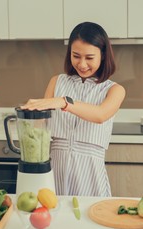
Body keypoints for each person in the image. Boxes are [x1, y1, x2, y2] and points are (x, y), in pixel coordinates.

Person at [21, 22, 125, 196]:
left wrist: (64, 102)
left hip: (91, 175)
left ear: (104, 55)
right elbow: (41, 129)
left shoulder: (114, 90)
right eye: (76, 56)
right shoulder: (57, 82)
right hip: (56, 171)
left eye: (89, 58)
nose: (82, 64)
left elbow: (100, 115)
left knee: (91, 220)